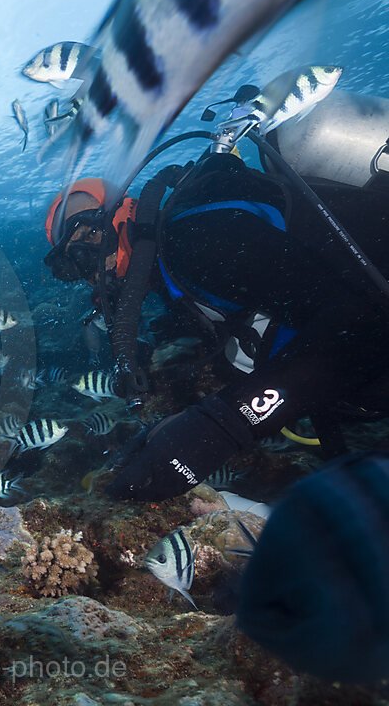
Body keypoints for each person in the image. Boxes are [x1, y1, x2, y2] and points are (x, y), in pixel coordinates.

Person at [42, 93, 389, 501]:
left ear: (121, 213)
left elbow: (367, 318)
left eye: (86, 245)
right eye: (72, 268)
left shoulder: (197, 241)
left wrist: (223, 425)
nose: (90, 275)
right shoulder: (179, 272)